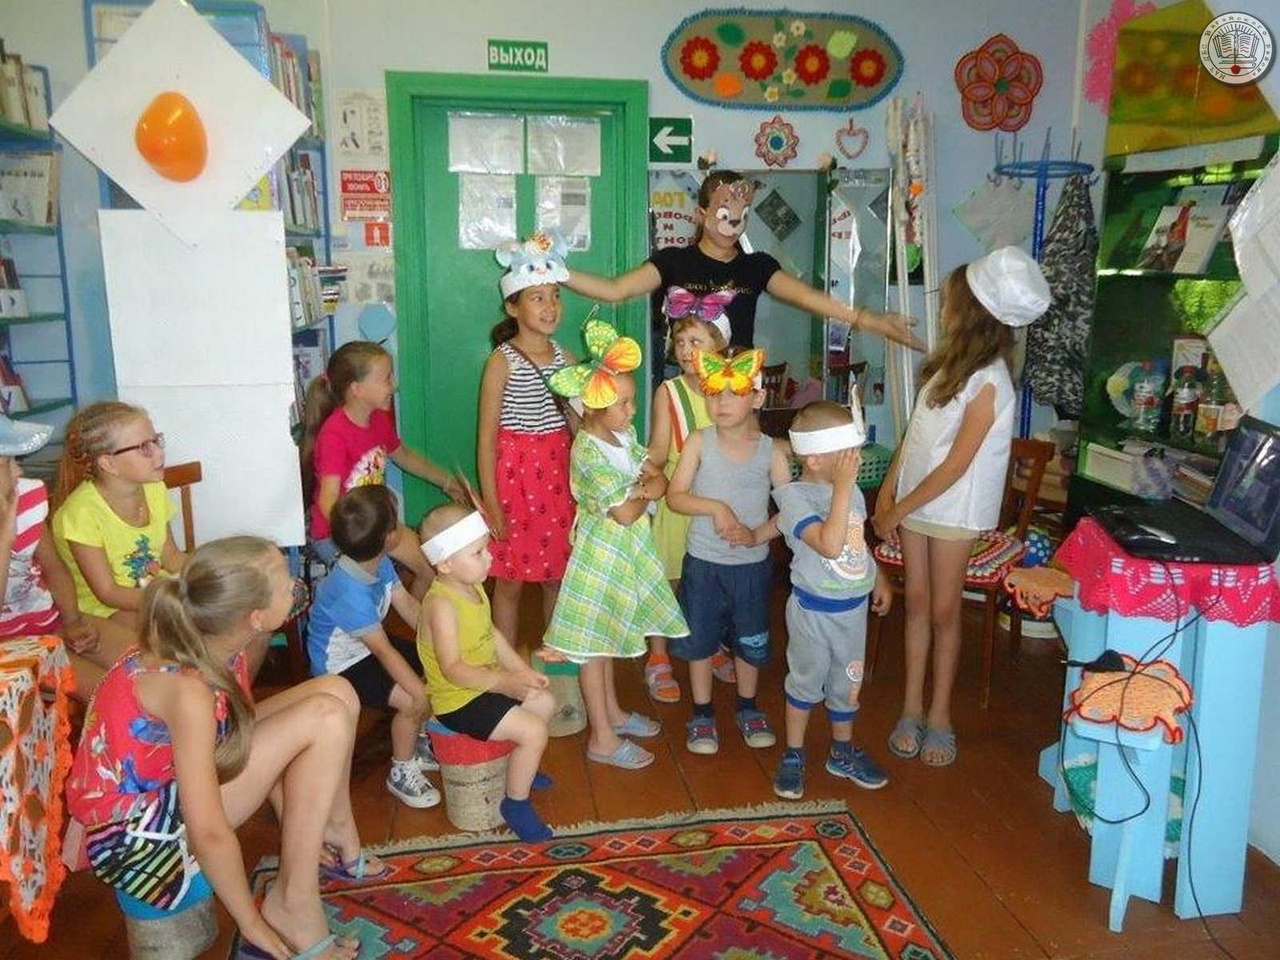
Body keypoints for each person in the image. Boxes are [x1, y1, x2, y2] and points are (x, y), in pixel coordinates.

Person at [65, 537, 378, 960]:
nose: (295, 586)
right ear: (255, 617)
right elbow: (209, 831)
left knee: (337, 691)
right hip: (141, 835)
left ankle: (336, 830)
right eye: (286, 584)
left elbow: (236, 732)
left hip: (177, 786)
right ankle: (293, 904)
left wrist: (294, 809)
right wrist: (251, 923)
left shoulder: (215, 640)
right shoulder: (188, 692)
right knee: (326, 716)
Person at [873, 246, 1050, 767]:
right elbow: (915, 437)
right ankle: (910, 708)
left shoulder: (991, 381)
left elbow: (955, 465)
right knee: (917, 604)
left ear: (971, 311)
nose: (943, 308)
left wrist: (897, 509)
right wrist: (887, 490)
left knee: (945, 611)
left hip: (952, 512)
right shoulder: (944, 367)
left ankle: (940, 716)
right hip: (915, 504)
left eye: (950, 300)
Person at [564, 169, 922, 352]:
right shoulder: (672, 261)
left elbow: (809, 298)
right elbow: (614, 290)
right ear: (702, 214)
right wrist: (556, 271)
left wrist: (869, 320)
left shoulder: (757, 266)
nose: (734, 223)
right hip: (686, 383)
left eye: (743, 214)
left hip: (738, 385)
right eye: (724, 213)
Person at [542, 318, 687, 770]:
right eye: (622, 404)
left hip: (624, 552)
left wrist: (639, 489)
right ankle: (601, 737)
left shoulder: (623, 438)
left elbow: (660, 483)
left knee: (606, 640)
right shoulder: (587, 450)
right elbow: (626, 511)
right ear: (592, 407)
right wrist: (642, 490)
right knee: (593, 646)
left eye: (631, 401)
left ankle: (614, 713)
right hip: (600, 556)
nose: (631, 410)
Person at [666, 347, 792, 755]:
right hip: (704, 565)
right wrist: (716, 507)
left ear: (757, 398)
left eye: (734, 393)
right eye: (713, 393)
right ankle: (702, 713)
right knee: (699, 641)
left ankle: (747, 706)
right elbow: (676, 496)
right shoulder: (699, 442)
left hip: (751, 568)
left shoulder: (772, 451)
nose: (721, 403)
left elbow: (791, 508)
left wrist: (757, 536)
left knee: (749, 639)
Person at [771, 401, 892, 799]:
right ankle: (794, 752)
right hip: (813, 613)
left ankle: (842, 751)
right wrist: (841, 489)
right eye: (848, 454)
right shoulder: (795, 499)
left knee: (847, 684)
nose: (856, 461)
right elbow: (828, 544)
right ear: (815, 459)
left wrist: (877, 575)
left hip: (852, 613)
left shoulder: (850, 491)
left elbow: (854, 540)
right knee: (805, 683)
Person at [417, 503, 556, 842]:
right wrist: (504, 683)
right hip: (459, 700)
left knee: (545, 703)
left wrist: (521, 671)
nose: (490, 558)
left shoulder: (472, 585)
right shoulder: (441, 605)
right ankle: (516, 803)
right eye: (477, 553)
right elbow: (453, 669)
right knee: (534, 731)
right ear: (445, 563)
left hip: (485, 684)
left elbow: (491, 635)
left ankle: (522, 770)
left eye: (486, 549)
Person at [306, 485, 440, 809]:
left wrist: (439, 644)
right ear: (389, 538)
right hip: (340, 667)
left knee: (432, 664)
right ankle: (401, 770)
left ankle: (418, 740)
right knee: (411, 700)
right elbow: (384, 652)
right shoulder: (349, 591)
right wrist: (419, 695)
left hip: (368, 646)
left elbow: (408, 605)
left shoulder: (376, 562)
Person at [478, 232, 578, 649]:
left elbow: (579, 425)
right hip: (514, 482)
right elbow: (486, 439)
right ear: (513, 306)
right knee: (510, 581)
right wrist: (491, 503)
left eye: (555, 296)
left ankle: (554, 654)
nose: (550, 307)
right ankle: (504, 661)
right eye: (537, 298)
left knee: (557, 575)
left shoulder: (567, 359)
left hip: (557, 478)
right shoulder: (501, 361)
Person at [300, 340, 458, 598]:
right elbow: (328, 501)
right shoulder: (334, 435)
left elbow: (404, 455)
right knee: (374, 596)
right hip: (340, 533)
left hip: (378, 525)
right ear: (357, 389)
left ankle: (420, 622)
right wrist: (364, 539)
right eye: (387, 378)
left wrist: (448, 482)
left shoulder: (378, 419)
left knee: (432, 569)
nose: (394, 385)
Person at [0, 414, 133, 697]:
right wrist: (4, 539)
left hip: (50, 620)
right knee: (115, 696)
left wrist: (72, 621)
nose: (18, 472)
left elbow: (54, 569)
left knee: (151, 663)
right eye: (6, 463)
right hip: (11, 647)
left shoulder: (24, 497)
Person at [644, 312, 737, 703]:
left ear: (720, 346)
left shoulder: (733, 389)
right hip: (678, 501)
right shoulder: (669, 392)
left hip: (718, 502)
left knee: (711, 581)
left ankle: (708, 644)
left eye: (696, 342)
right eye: (680, 342)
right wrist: (639, 470)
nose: (685, 350)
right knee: (667, 579)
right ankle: (658, 656)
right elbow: (658, 451)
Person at [51, 401, 186, 631]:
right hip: (105, 610)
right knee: (179, 633)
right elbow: (108, 593)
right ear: (108, 463)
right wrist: (176, 599)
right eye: (144, 447)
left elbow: (171, 557)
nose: (159, 452)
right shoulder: (80, 513)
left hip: (153, 591)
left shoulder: (154, 488)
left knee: (223, 613)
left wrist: (211, 571)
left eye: (156, 441)